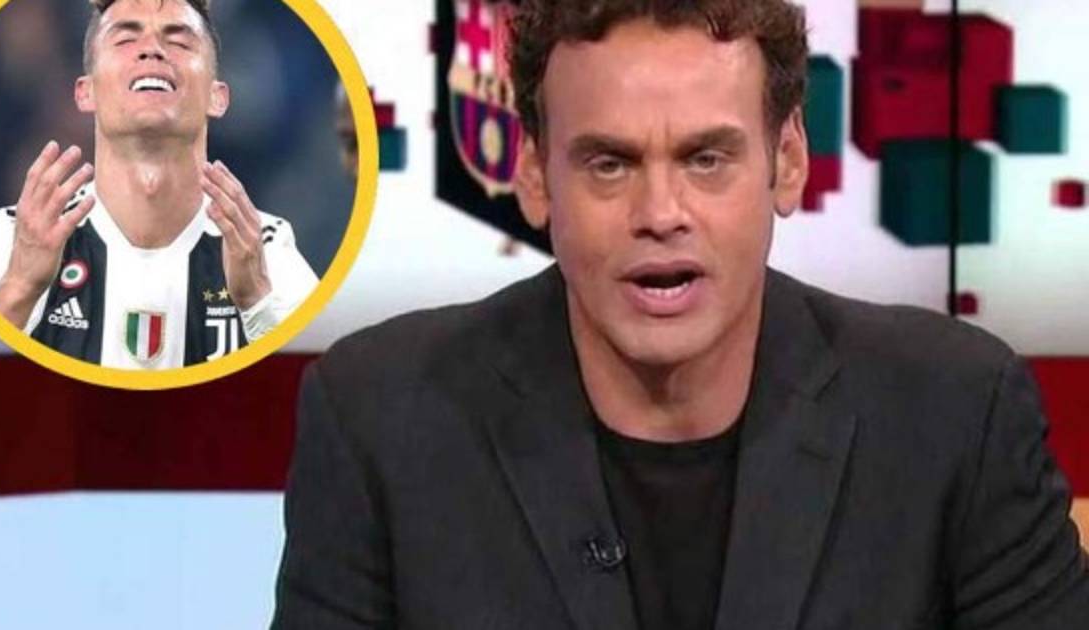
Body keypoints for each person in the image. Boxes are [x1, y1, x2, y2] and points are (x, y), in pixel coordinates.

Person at [272, 0, 1089, 628]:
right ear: (534, 175)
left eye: (706, 158)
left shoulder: (955, 415)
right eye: (609, 163)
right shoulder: (382, 419)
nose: (660, 213)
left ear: (788, 161)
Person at [0, 0, 318, 368]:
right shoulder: (10, 240)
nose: (152, 50)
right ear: (85, 92)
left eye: (178, 41)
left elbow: (311, 388)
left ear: (218, 97)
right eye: (125, 39)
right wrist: (20, 291)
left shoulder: (267, 250)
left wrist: (257, 303)